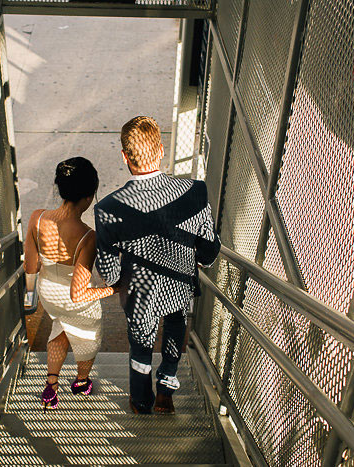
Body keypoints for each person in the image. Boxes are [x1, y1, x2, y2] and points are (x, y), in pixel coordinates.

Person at [94, 116, 221, 414]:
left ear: (124, 156)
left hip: (139, 294)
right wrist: (197, 257)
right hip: (178, 286)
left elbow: (111, 273)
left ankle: (141, 401)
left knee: (141, 344)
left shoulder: (107, 209)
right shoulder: (195, 192)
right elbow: (207, 250)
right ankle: (166, 389)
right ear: (161, 150)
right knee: (176, 328)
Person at [23, 157, 116, 411]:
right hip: (73, 299)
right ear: (88, 198)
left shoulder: (37, 219)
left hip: (48, 293)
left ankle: (51, 389)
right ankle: (81, 382)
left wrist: (30, 295)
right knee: (87, 337)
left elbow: (31, 266)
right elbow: (79, 293)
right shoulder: (87, 236)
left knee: (60, 328)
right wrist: (114, 289)